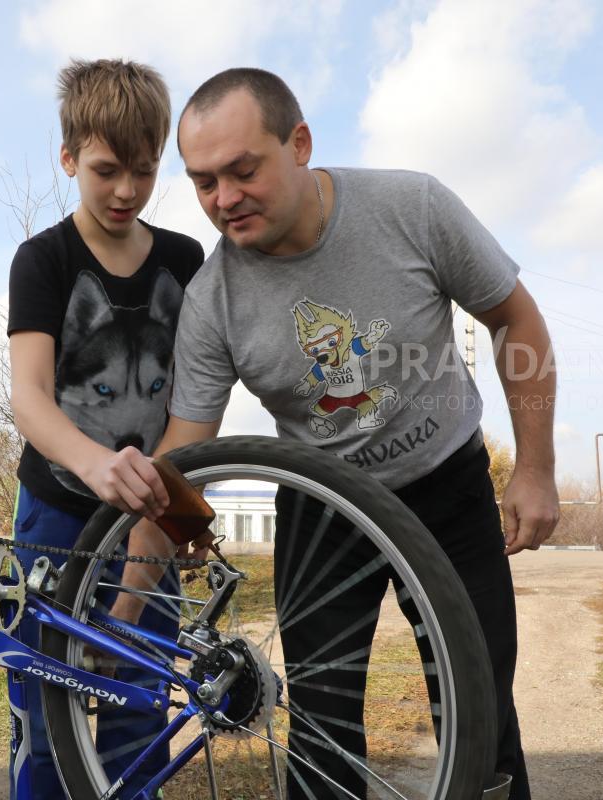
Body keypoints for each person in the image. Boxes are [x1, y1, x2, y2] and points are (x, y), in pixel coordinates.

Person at [114, 68, 559, 799]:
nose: (223, 199)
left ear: (299, 143)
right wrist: (125, 616)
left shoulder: (411, 206)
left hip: (445, 487)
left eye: (242, 170)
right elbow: (181, 458)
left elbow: (516, 318)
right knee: (319, 735)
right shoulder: (212, 303)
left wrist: (535, 468)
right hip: (326, 509)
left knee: (480, 712)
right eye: (202, 182)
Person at [5, 57, 205, 799]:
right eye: (106, 169)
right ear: (68, 159)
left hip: (148, 519)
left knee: (138, 713)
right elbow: (29, 399)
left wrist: (140, 559)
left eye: (145, 171)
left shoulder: (185, 261)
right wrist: (95, 464)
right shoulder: (43, 260)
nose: (126, 191)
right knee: (46, 725)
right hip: (54, 512)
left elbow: (192, 402)